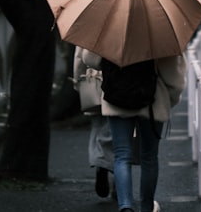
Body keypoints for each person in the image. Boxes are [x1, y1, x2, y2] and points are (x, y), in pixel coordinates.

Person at [82, 49, 186, 212]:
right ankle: (146, 206)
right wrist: (170, 99)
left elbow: (90, 59)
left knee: (121, 155)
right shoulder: (160, 33)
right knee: (149, 157)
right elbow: (174, 78)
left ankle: (126, 206)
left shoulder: (110, 28)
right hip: (153, 101)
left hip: (116, 96)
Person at [73, 46, 114, 198]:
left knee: (97, 125)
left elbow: (79, 55)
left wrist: (77, 79)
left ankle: (99, 161)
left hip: (94, 80)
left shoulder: (89, 23)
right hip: (117, 82)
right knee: (117, 130)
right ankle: (117, 180)